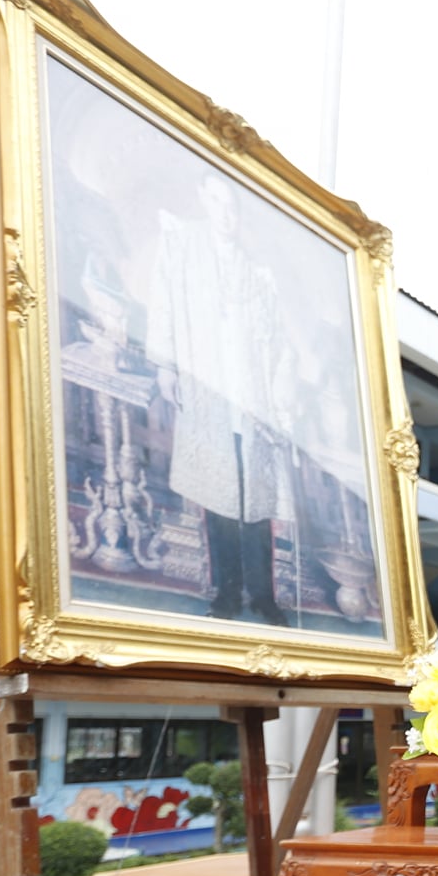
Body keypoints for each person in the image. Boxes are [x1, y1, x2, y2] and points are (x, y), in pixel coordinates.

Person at [146, 169, 293, 626]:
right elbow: (164, 302)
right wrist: (165, 365)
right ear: (203, 200)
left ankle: (264, 597)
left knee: (255, 504)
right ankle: (228, 593)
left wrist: (280, 406)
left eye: (233, 207)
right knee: (219, 497)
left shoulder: (255, 270)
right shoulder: (182, 246)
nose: (226, 216)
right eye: (218, 204)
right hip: (207, 393)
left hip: (251, 401)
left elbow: (275, 343)